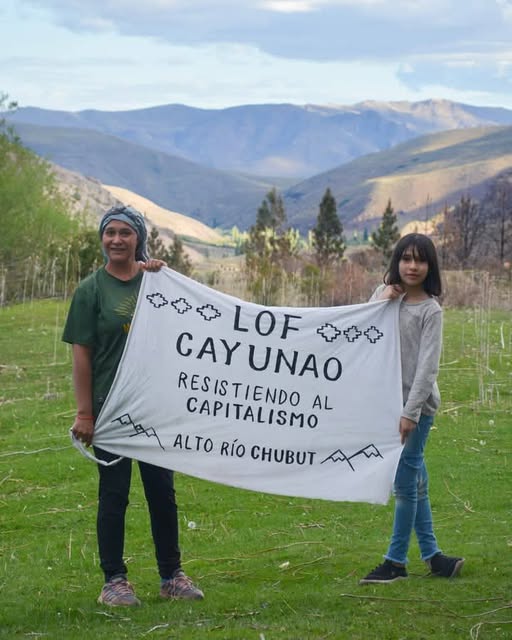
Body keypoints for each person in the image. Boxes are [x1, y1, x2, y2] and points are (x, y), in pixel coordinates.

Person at [63, 205, 204, 606]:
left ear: (139, 238)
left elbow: (188, 325)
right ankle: (114, 581)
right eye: (110, 233)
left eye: (125, 232)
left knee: (162, 492)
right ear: (102, 239)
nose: (117, 240)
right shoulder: (91, 290)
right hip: (110, 408)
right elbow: (82, 355)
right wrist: (85, 412)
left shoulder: (156, 283)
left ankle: (171, 576)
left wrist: (164, 276)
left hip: (153, 406)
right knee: (114, 494)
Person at [360, 233, 464, 584]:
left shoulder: (430, 311)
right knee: (415, 480)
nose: (413, 266)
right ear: (397, 262)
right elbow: (365, 326)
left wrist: (411, 412)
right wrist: (382, 297)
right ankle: (436, 559)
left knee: (405, 483)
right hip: (387, 402)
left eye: (420, 260)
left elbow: (427, 368)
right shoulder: (387, 296)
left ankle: (395, 562)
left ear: (430, 266)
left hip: (415, 409)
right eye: (406, 258)